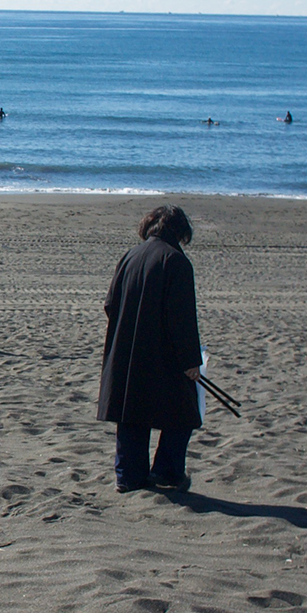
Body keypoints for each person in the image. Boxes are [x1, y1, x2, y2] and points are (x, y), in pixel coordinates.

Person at [97, 205, 204, 493]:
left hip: (127, 347)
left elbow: (110, 304)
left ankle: (128, 476)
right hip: (161, 351)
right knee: (183, 410)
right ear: (180, 232)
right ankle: (167, 471)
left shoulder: (131, 255)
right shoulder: (176, 261)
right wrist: (190, 360)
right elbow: (182, 318)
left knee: (131, 410)